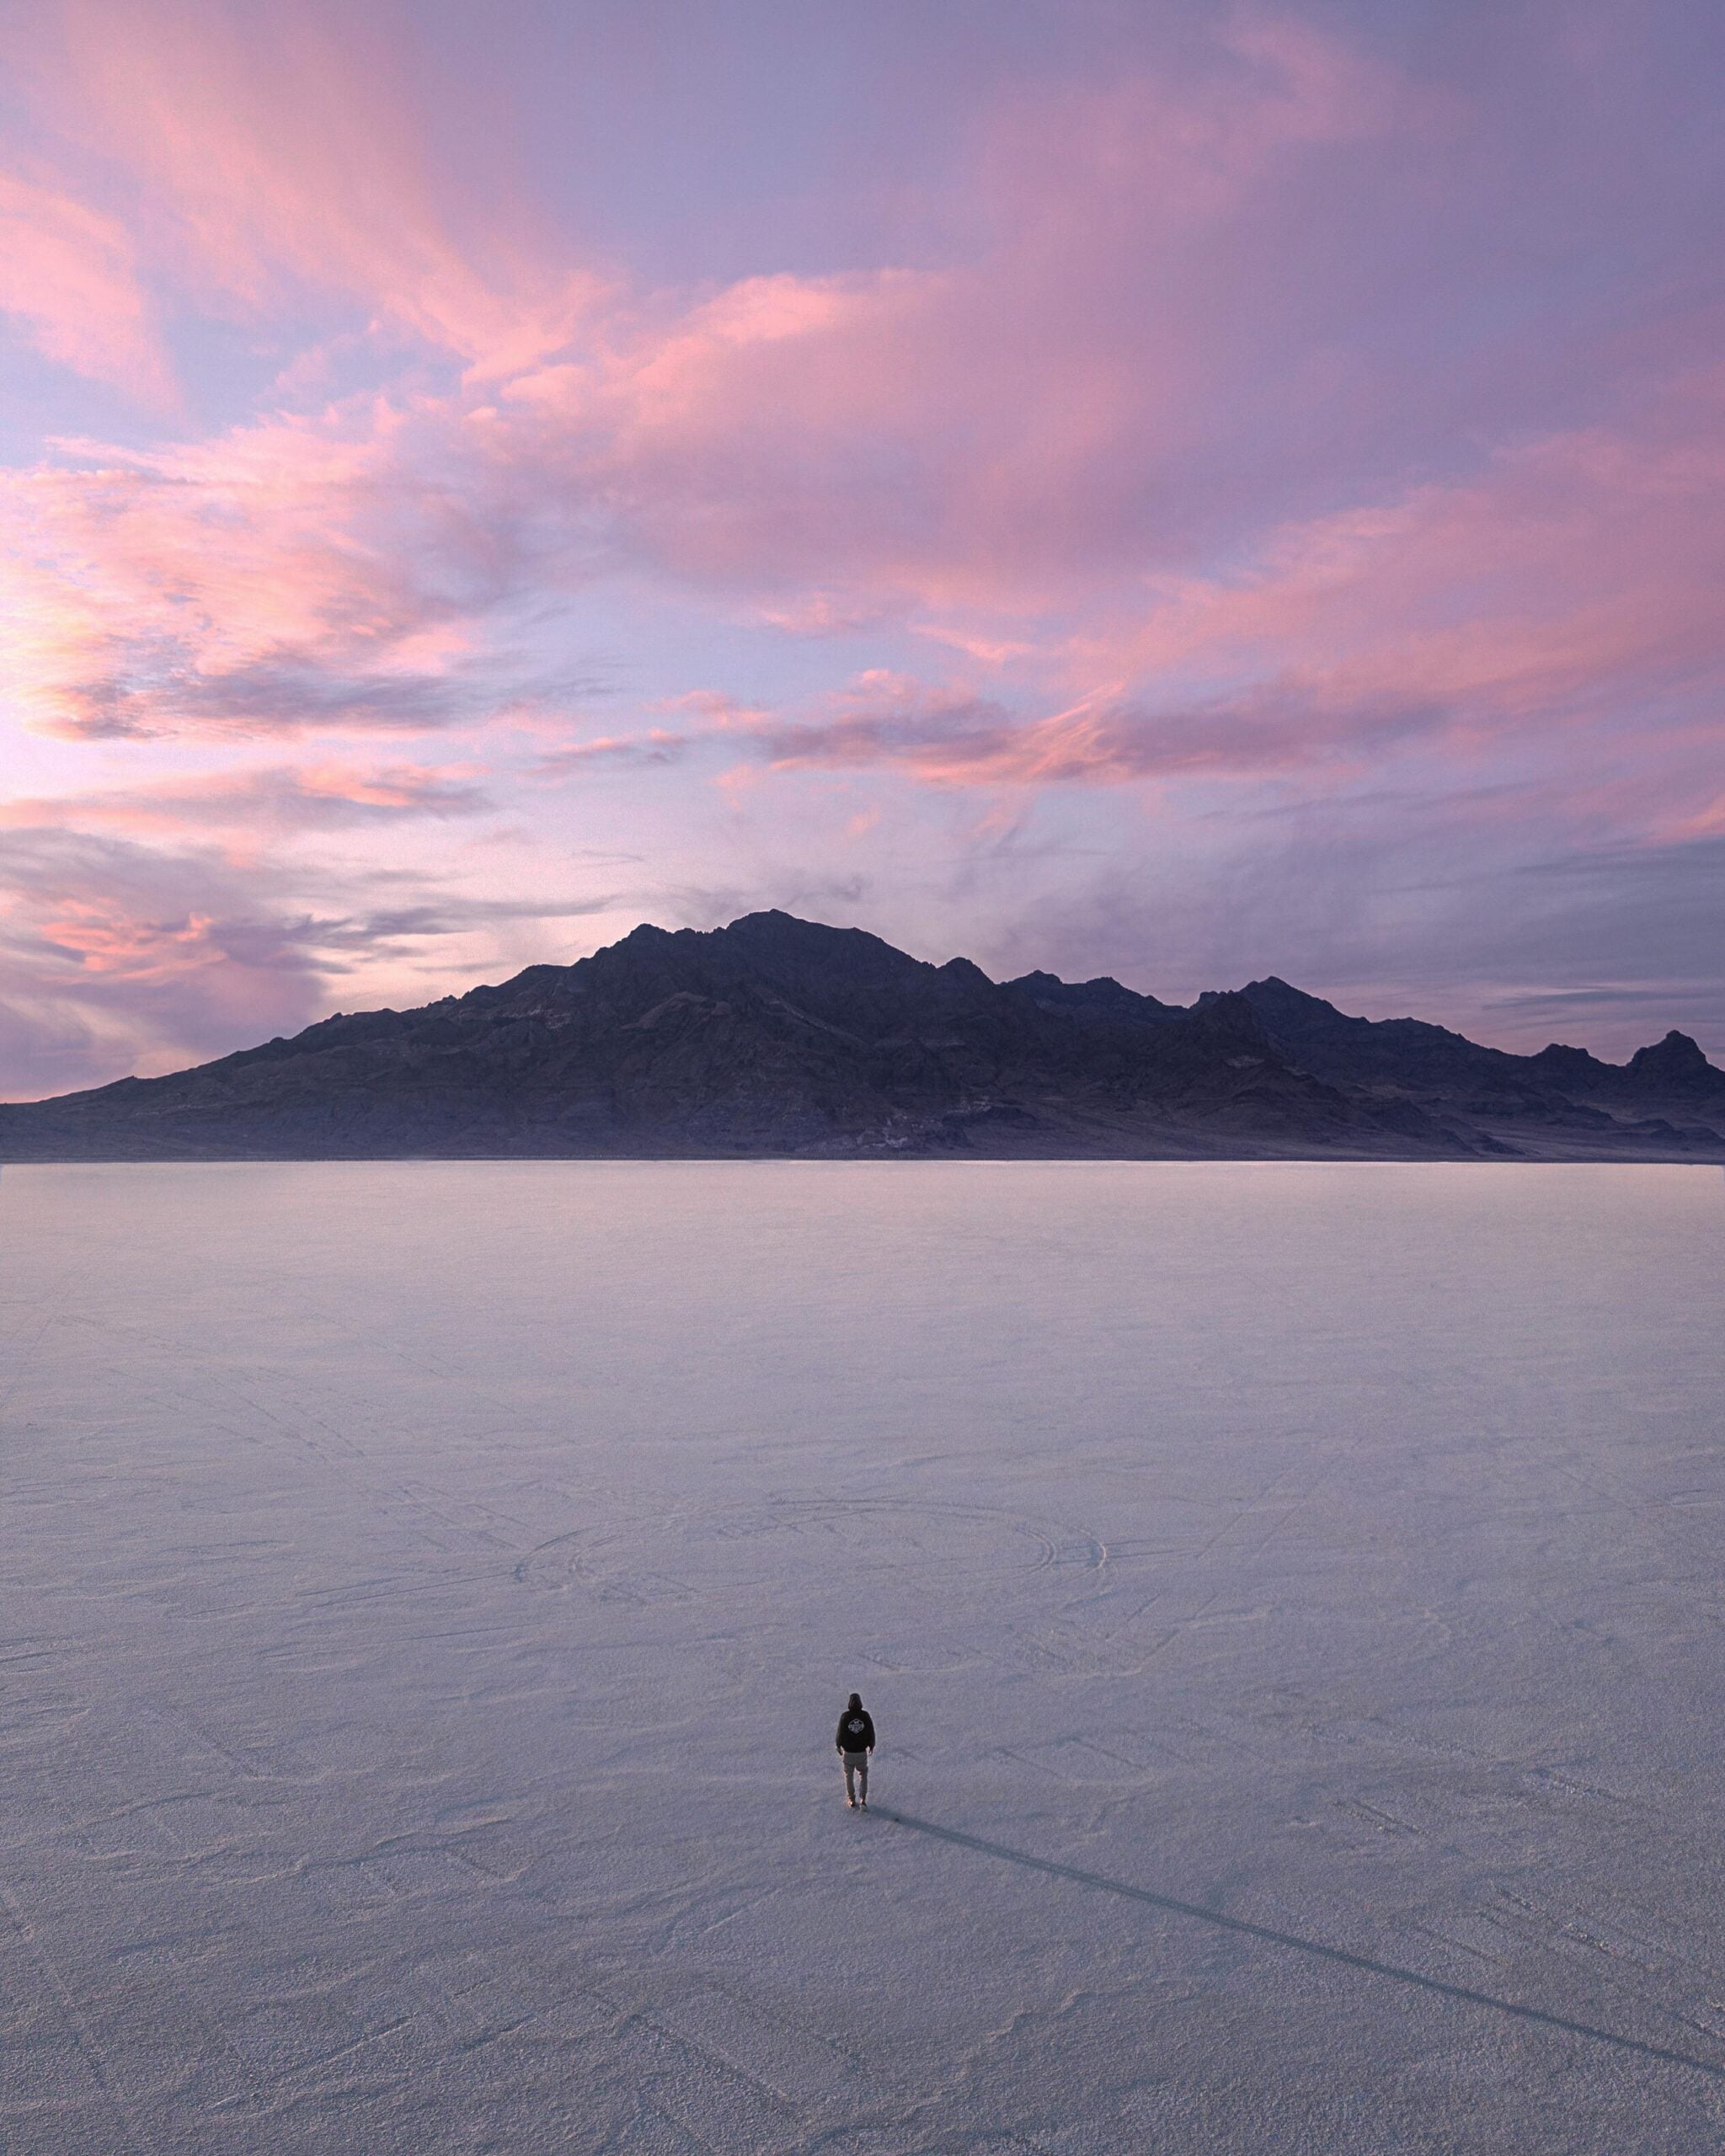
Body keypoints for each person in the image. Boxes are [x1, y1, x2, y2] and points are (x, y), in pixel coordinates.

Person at [836, 1692, 875, 1808]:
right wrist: (871, 1745)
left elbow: (840, 1733)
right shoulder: (865, 1716)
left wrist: (838, 1746)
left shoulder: (845, 1717)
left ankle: (851, 1799)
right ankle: (863, 1798)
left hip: (848, 1753)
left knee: (849, 1775)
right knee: (863, 1774)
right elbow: (871, 1732)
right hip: (861, 1752)